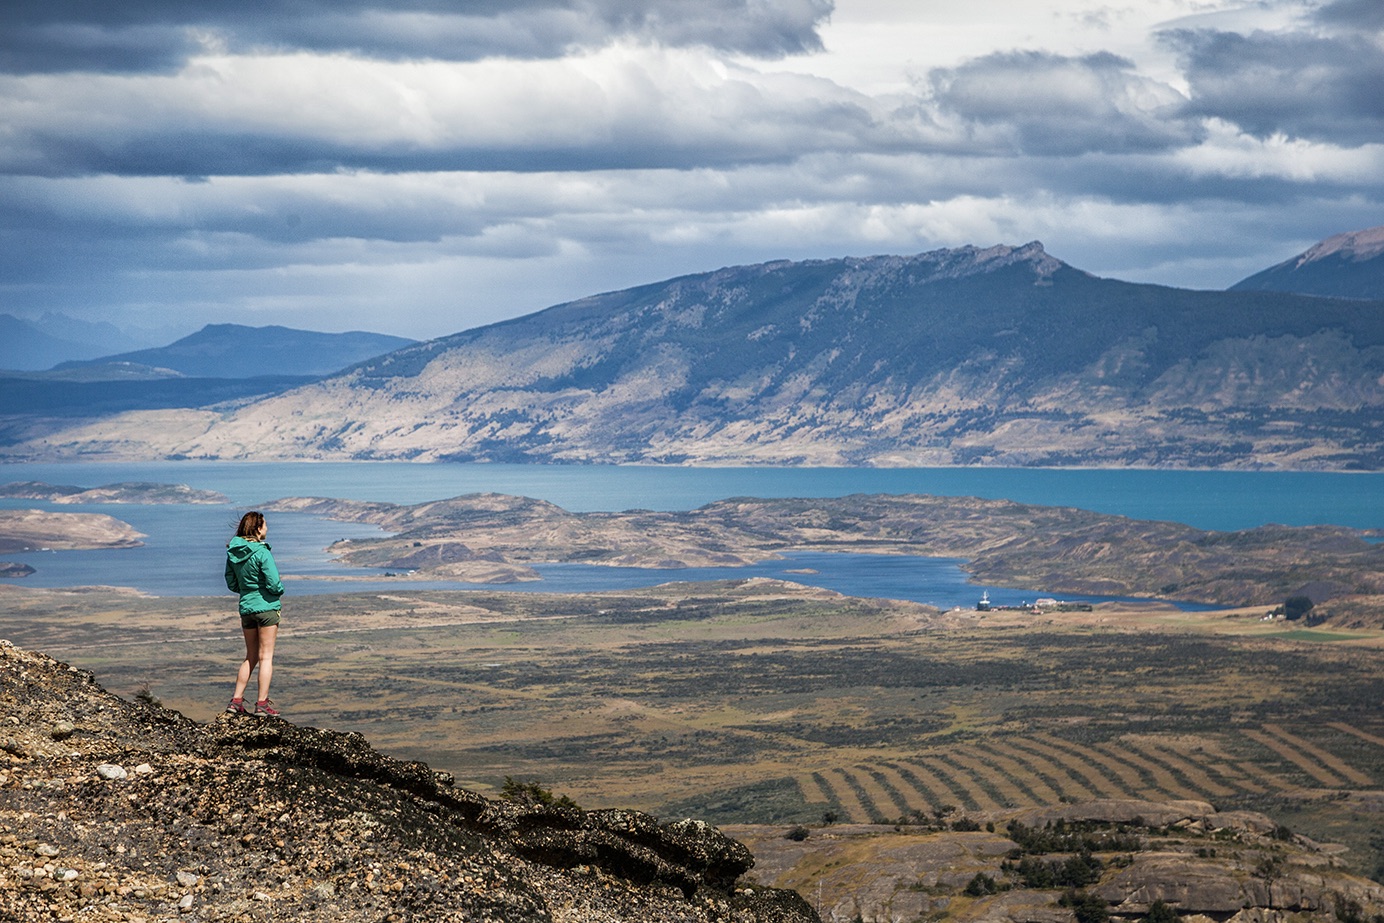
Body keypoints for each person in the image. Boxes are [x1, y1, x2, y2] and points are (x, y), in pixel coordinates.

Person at [224, 511, 284, 717]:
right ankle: (262, 704)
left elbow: (232, 582)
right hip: (266, 608)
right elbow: (274, 582)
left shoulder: (233, 552)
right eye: (265, 525)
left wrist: (248, 592)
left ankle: (236, 701)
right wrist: (276, 592)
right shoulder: (262, 552)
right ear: (258, 528)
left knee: (250, 656)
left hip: (246, 608)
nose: (267, 529)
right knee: (266, 657)